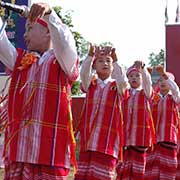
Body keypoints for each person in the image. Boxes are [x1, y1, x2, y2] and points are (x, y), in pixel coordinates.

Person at [0, 2, 79, 179]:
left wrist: (50, 14)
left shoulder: (62, 62)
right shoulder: (19, 60)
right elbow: (1, 43)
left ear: (48, 32)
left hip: (50, 154)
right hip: (19, 151)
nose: (24, 35)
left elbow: (65, 43)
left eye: (29, 28)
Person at [74, 44, 127, 180]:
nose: (105, 63)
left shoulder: (117, 87)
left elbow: (122, 80)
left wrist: (116, 60)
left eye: (108, 61)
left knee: (103, 175)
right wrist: (90, 55)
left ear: (113, 66)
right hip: (89, 139)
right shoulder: (90, 84)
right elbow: (84, 74)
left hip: (108, 140)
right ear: (94, 66)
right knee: (84, 174)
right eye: (100, 61)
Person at [116, 61, 155, 180]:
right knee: (123, 165)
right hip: (126, 136)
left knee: (140, 166)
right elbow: (120, 80)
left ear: (142, 78)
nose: (134, 78)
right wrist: (117, 63)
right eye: (131, 76)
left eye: (137, 76)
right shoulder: (124, 93)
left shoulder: (146, 93)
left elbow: (148, 82)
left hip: (140, 136)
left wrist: (143, 70)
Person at [149, 65, 180, 180]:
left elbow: (176, 89)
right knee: (153, 171)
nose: (162, 82)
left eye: (166, 80)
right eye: (160, 80)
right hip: (154, 141)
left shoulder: (174, 98)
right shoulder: (154, 98)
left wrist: (164, 74)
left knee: (168, 172)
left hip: (169, 139)